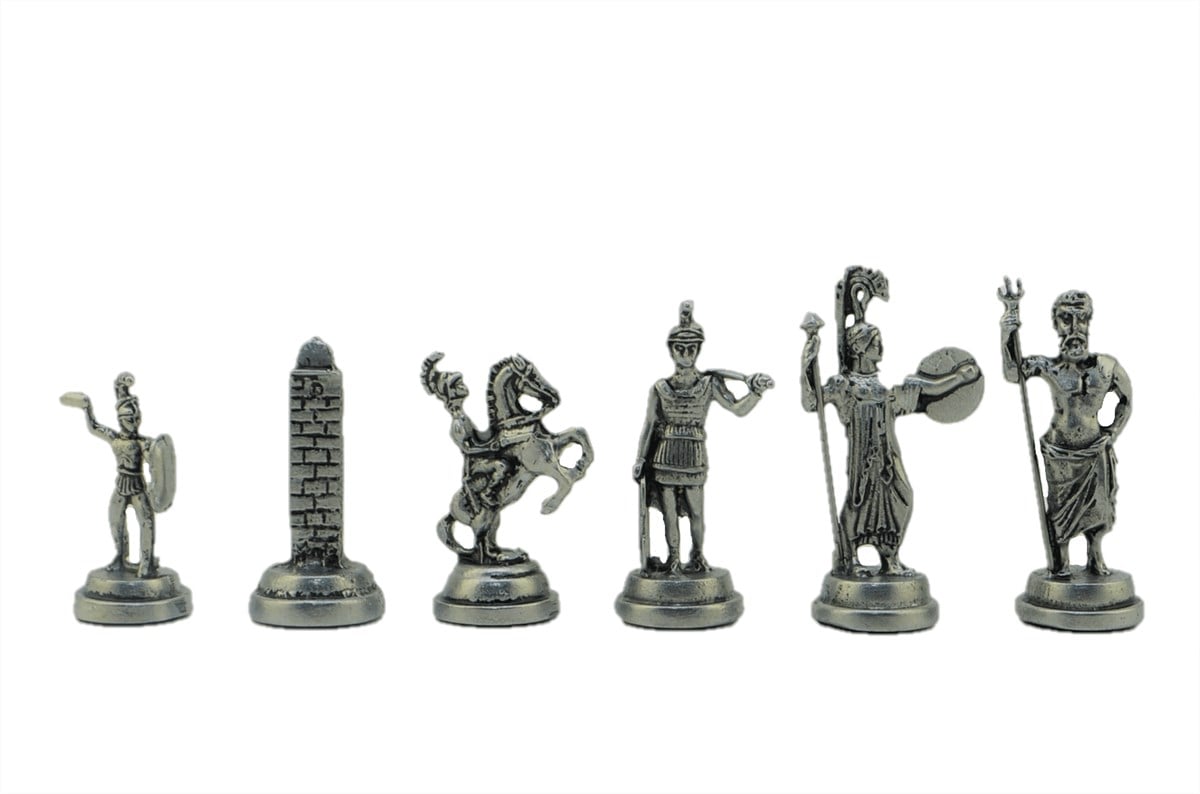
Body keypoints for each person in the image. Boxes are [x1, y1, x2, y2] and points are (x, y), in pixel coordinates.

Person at [802, 321, 980, 575]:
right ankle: (848, 558)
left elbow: (926, 390)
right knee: (859, 503)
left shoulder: (881, 389)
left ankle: (890, 558)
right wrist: (808, 362)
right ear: (860, 348)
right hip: (864, 458)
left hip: (887, 456)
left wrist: (958, 378)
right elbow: (811, 402)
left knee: (901, 498)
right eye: (875, 343)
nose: (881, 347)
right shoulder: (843, 385)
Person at [633, 302, 773, 574]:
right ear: (672, 350)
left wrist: (756, 393)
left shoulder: (709, 384)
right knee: (669, 514)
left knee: (696, 512)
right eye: (680, 348)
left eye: (691, 348)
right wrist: (640, 458)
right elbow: (649, 425)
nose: (686, 354)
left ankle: (697, 556)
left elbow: (737, 408)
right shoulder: (660, 388)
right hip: (665, 454)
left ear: (698, 350)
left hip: (694, 454)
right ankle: (674, 560)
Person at [1000, 287, 1131, 576]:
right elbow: (1013, 372)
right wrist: (1008, 327)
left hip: (1093, 449)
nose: (1074, 328)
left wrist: (1112, 432)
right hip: (1060, 453)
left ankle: (1095, 555)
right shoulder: (1049, 367)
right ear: (1056, 325)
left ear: (1089, 322)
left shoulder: (1106, 367)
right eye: (1066, 320)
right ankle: (1060, 563)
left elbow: (1126, 400)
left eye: (1080, 319)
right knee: (1059, 509)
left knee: (1099, 507)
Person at [67, 373, 160, 577]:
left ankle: (146, 562)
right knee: (115, 520)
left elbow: (157, 462)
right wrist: (87, 409)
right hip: (121, 486)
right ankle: (120, 557)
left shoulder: (143, 443)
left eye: (136, 418)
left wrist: (156, 474)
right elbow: (95, 427)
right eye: (129, 419)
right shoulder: (115, 439)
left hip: (138, 487)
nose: (134, 422)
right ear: (121, 420)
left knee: (146, 522)